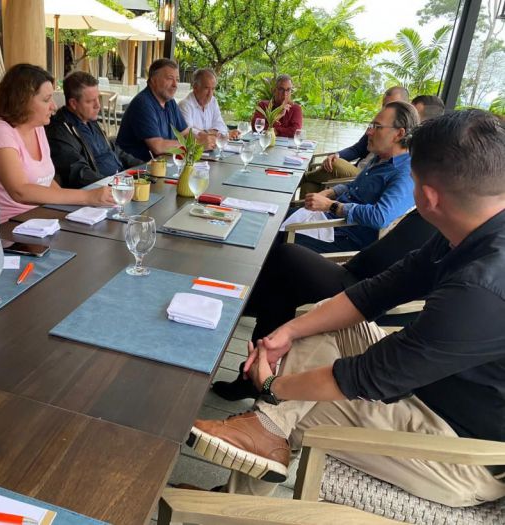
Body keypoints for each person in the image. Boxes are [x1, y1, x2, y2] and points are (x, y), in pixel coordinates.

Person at [190, 110, 505, 507]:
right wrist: (285, 334)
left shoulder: (485, 287)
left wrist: (272, 385)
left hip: (463, 451)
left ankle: (233, 495)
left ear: (426, 196)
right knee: (314, 320)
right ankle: (249, 466)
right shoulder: (475, 229)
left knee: (292, 405)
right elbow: (379, 291)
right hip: (429, 388)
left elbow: (370, 376)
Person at [213, 209, 437, 401]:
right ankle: (250, 368)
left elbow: (381, 215)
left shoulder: (453, 234)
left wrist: (335, 204)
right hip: (363, 281)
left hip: (368, 299)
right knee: (282, 286)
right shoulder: (442, 219)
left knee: (286, 257)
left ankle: (240, 316)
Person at [0, 64, 114, 223]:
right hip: (10, 227)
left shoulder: (37, 127)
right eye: (46, 99)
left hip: (40, 220)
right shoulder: (0, 131)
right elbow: (20, 191)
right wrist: (87, 197)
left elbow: (45, 182)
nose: (54, 106)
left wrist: (72, 209)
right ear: (22, 101)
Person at [292, 101, 418, 253]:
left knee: (274, 239)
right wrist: (330, 192)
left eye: (377, 127)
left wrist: (331, 205)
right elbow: (353, 186)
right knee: (273, 218)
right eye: (371, 126)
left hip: (343, 237)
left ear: (399, 134)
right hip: (327, 221)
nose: (368, 132)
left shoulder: (405, 173)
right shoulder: (380, 158)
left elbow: (380, 216)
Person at [300, 86, 411, 196]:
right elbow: (357, 149)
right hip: (361, 169)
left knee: (335, 163)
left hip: (368, 177)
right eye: (384, 106)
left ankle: (302, 177)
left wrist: (336, 207)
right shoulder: (377, 125)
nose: (386, 110)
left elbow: (382, 211)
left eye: (392, 105)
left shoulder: (403, 137)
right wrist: (338, 154)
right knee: (309, 186)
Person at [46, 71, 142, 189]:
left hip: (121, 183)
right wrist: (117, 185)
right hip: (100, 194)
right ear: (73, 103)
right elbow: (79, 173)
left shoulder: (90, 120)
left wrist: (143, 167)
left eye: (98, 98)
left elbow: (112, 150)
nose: (98, 105)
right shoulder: (59, 131)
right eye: (90, 101)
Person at [116, 59, 216, 161]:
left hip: (162, 164)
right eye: (170, 78)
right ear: (154, 80)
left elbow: (185, 134)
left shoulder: (170, 102)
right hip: (135, 168)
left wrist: (205, 139)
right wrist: (196, 143)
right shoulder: (143, 103)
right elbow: (158, 147)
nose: (175, 85)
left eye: (177, 80)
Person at [178, 68, 237, 138]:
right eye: (206, 88)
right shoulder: (184, 105)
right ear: (195, 87)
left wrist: (205, 132)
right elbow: (188, 134)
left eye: (213, 89)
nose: (210, 94)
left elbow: (221, 127)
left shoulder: (213, 101)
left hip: (213, 147)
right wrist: (213, 132)